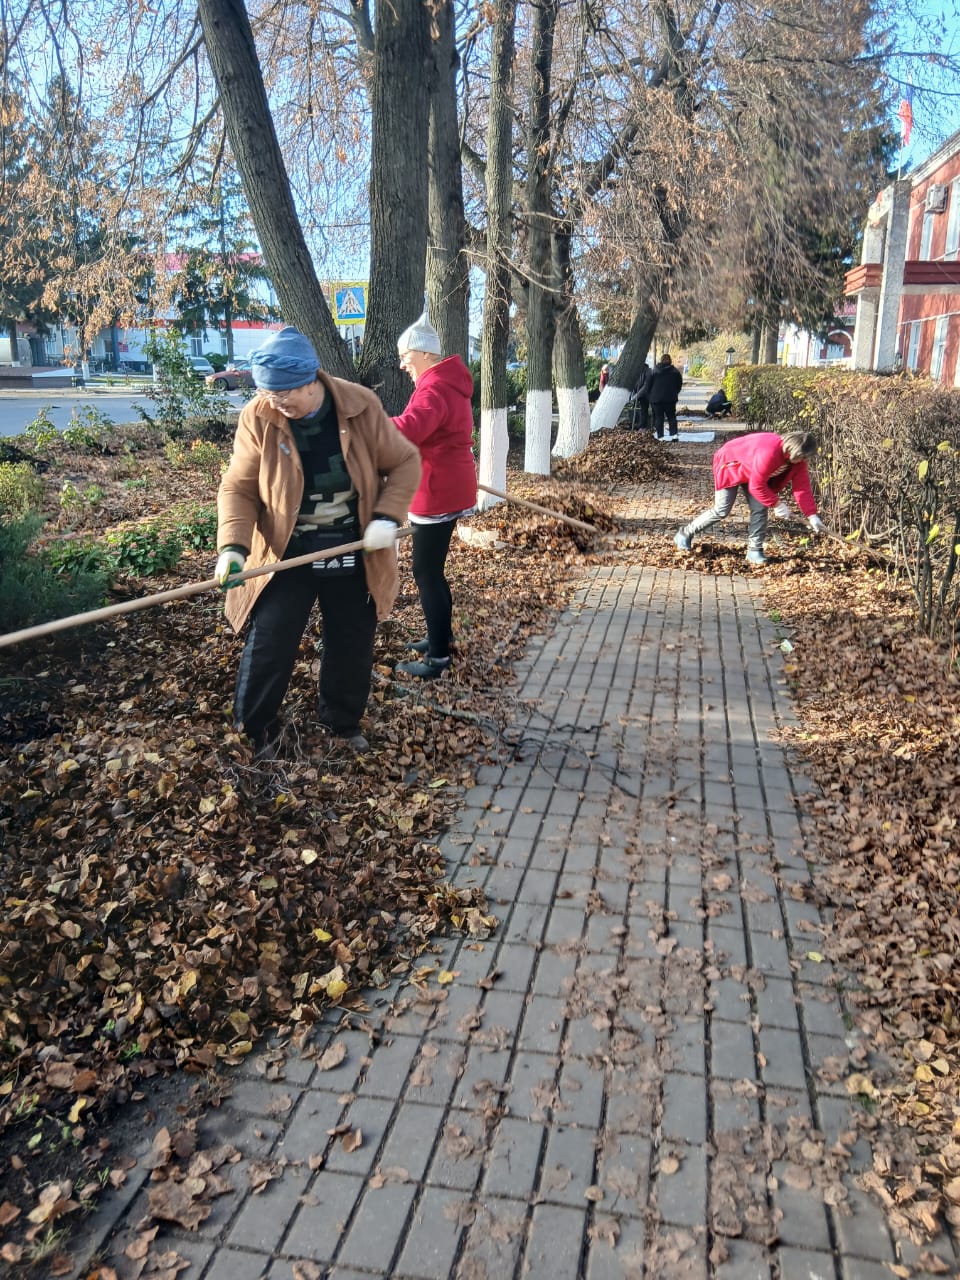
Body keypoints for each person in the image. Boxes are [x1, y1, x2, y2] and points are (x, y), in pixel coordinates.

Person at [214, 326, 421, 757]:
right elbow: (239, 487)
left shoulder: (359, 406)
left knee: (351, 641)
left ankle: (341, 725)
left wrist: (386, 517)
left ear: (312, 381)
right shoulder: (259, 416)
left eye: (285, 394)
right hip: (285, 550)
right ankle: (252, 730)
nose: (276, 403)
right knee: (270, 639)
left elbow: (404, 461)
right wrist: (233, 547)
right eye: (268, 394)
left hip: (351, 546)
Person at [390, 306, 477, 680]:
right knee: (434, 572)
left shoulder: (436, 387)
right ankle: (439, 636)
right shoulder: (444, 383)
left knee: (425, 574)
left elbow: (411, 428)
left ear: (425, 354)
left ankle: (438, 658)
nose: (403, 366)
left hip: (437, 491)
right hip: (447, 486)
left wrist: (369, 425)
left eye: (407, 358)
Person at [674, 430, 827, 564]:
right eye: (803, 458)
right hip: (730, 464)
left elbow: (802, 488)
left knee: (760, 508)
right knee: (721, 509)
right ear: (795, 452)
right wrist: (777, 504)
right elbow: (757, 486)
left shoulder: (798, 462)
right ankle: (685, 534)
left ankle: (754, 551)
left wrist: (812, 516)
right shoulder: (770, 452)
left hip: (754, 473)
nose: (805, 461)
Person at [648, 353, 683, 441]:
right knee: (671, 416)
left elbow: (649, 384)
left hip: (657, 399)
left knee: (659, 417)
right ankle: (674, 435)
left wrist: (650, 395)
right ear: (670, 360)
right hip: (670, 398)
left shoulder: (654, 371)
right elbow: (679, 385)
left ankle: (660, 436)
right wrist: (675, 392)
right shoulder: (675, 371)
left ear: (661, 360)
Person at [630, 363, 652, 431]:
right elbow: (634, 383)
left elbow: (645, 387)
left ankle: (644, 426)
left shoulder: (648, 372)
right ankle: (641, 425)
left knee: (645, 410)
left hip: (647, 394)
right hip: (640, 394)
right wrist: (633, 393)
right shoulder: (637, 372)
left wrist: (636, 395)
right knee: (643, 410)